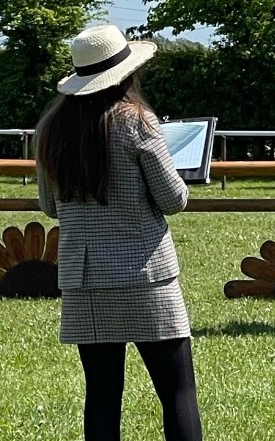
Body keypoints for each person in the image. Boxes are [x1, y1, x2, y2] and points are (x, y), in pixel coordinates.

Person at [34, 24, 203, 441]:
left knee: (102, 395)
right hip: (146, 276)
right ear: (127, 74)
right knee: (177, 393)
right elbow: (172, 200)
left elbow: (50, 206)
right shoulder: (137, 122)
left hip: (85, 279)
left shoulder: (51, 130)